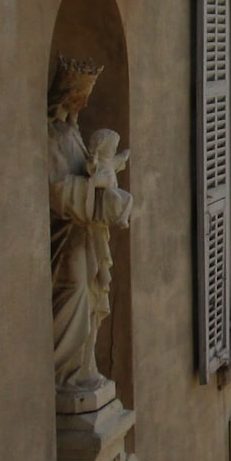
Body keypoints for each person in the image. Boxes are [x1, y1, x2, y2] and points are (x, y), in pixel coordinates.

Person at [49, 56, 132, 396]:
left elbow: (87, 172)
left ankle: (84, 368)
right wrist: (97, 182)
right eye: (80, 94)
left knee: (92, 298)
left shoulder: (72, 132)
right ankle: (65, 375)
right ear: (67, 95)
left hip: (86, 235)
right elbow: (58, 190)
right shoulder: (52, 136)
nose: (84, 101)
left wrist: (106, 170)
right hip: (68, 238)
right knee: (76, 296)